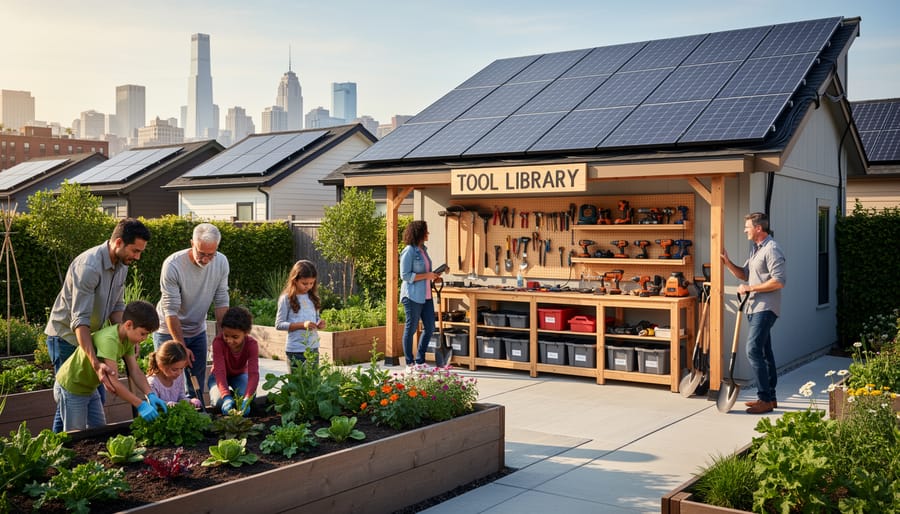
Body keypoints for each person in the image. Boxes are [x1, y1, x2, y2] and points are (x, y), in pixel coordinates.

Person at [44, 217, 151, 432]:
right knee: (72, 395)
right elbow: (79, 321)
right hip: (66, 337)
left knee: (79, 400)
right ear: (118, 242)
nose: (137, 257)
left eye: (140, 252)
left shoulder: (122, 265)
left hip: (91, 335)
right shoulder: (89, 267)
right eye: (135, 251)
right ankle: (59, 452)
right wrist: (95, 364)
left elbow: (117, 305)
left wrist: (127, 336)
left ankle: (56, 450)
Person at [53, 300, 167, 432]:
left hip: (89, 388)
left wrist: (150, 394)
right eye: (143, 333)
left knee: (99, 430)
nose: (145, 338)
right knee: (76, 435)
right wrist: (140, 404)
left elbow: (135, 370)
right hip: (72, 387)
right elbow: (114, 383)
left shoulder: (127, 339)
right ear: (129, 325)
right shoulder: (109, 340)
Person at [155, 222, 230, 398]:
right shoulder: (173, 265)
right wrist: (180, 346)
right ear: (192, 243)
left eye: (210, 255)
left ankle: (198, 416)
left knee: (196, 382)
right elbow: (170, 310)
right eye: (201, 253)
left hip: (197, 330)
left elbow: (221, 301)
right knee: (168, 380)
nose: (205, 259)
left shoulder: (221, 262)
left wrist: (221, 339)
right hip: (168, 329)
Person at [721, 212, 786, 414]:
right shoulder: (756, 249)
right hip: (753, 307)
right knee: (765, 353)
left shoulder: (772, 249)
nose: (745, 230)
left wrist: (750, 289)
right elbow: (746, 275)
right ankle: (771, 398)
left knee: (752, 350)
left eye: (747, 226)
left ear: (759, 228)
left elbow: (779, 281)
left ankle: (764, 399)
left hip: (765, 308)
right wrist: (728, 263)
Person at [399, 220, 444, 369]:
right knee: (411, 329)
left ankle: (420, 360)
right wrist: (426, 276)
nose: (428, 233)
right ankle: (410, 363)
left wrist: (434, 276)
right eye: (426, 231)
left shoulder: (423, 250)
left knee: (430, 327)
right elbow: (405, 275)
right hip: (412, 296)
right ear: (419, 233)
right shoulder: (409, 251)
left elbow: (425, 273)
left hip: (426, 295)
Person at [207, 306, 259, 415]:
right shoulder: (218, 342)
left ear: (246, 333)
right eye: (226, 335)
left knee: (251, 398)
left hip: (238, 375)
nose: (229, 340)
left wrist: (247, 398)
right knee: (219, 402)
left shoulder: (251, 344)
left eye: (235, 337)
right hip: (218, 377)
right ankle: (230, 398)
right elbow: (220, 372)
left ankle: (235, 399)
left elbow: (253, 374)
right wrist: (226, 396)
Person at [276, 260, 326, 367]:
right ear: (295, 280)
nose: (308, 286)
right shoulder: (286, 299)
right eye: (304, 283)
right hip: (295, 350)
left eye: (311, 283)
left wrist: (319, 323)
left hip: (313, 348)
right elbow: (279, 324)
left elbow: (316, 318)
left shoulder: (313, 298)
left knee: (313, 383)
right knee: (297, 382)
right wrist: (302, 325)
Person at [146, 341, 204, 409]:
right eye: (174, 369)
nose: (179, 373)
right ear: (161, 365)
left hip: (176, 414)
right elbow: (155, 404)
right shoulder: (153, 382)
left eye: (182, 368)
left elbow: (181, 397)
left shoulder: (178, 377)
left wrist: (190, 401)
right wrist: (169, 405)